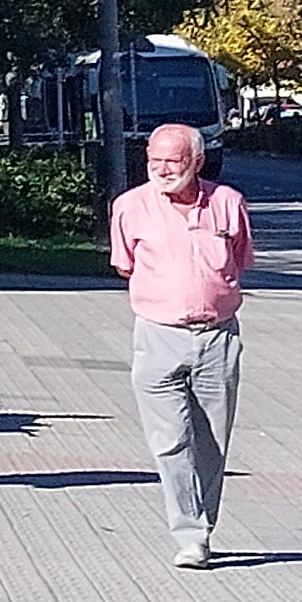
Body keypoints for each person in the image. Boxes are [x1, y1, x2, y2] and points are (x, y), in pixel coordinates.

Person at [110, 119, 254, 568]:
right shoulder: (130, 207)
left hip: (217, 337)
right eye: (154, 160)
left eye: (173, 160)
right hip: (158, 336)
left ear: (198, 161)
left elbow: (239, 261)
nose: (162, 169)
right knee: (170, 442)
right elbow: (125, 265)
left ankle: (203, 526)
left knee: (211, 443)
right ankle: (189, 534)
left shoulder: (228, 203)